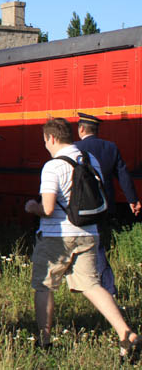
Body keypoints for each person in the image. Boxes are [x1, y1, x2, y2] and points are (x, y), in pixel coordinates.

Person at [24, 118, 139, 356]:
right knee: (91, 285)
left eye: (45, 140)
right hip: (89, 232)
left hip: (58, 235)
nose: (45, 144)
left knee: (45, 286)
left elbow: (46, 208)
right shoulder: (90, 160)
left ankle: (44, 341)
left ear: (52, 138)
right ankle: (125, 333)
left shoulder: (53, 166)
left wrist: (31, 206)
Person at [75, 112, 141, 296]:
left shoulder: (74, 148)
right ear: (96, 130)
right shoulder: (110, 147)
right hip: (104, 207)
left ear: (81, 129)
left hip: (80, 208)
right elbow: (123, 176)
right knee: (99, 244)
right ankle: (101, 286)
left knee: (89, 247)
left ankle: (103, 288)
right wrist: (132, 200)